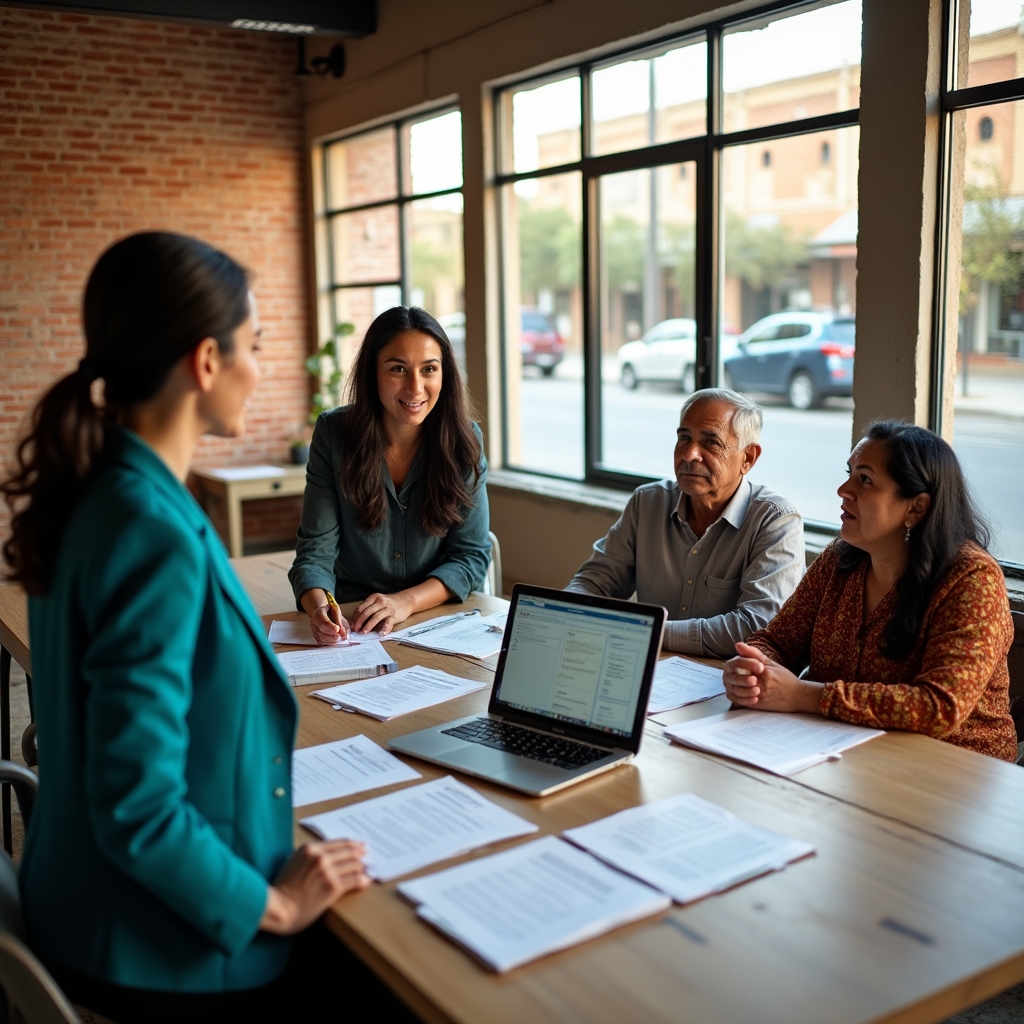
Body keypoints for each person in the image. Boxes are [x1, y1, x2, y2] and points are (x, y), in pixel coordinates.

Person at [0, 232, 414, 1022]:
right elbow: (137, 805)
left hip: (89, 902)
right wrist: (278, 907)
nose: (261, 367)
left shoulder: (101, 490)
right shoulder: (146, 530)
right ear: (204, 362)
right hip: (150, 948)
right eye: (253, 345)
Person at [723, 421, 1017, 762]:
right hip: (846, 755)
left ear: (916, 507)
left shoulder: (971, 578)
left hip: (958, 775)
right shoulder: (839, 560)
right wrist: (753, 668)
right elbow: (776, 642)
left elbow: (939, 707)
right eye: (849, 473)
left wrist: (802, 695)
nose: (843, 489)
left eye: (865, 480)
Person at [288, 306, 490, 642]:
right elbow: (314, 553)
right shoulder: (333, 434)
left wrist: (405, 602)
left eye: (429, 369)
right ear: (373, 374)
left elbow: (471, 556)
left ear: (445, 375)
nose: (415, 387)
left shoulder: (464, 441)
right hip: (354, 620)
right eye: (398, 369)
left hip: (436, 618)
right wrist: (320, 608)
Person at [566, 389, 804, 658]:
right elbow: (594, 581)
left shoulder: (776, 520)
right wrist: (564, 614)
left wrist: (647, 631)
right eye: (684, 438)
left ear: (747, 458)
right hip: (652, 666)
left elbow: (757, 626)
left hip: (725, 679)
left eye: (711, 442)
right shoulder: (648, 502)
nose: (690, 454)